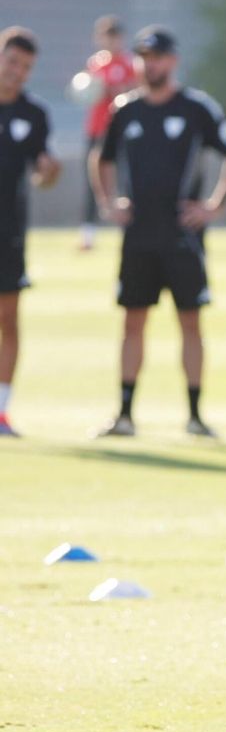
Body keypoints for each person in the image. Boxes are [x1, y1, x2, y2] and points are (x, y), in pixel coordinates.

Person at [92, 26, 226, 439]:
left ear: (173, 61)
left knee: (190, 322)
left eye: (158, 57)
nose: (151, 65)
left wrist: (215, 205)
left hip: (183, 236)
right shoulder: (125, 109)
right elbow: (102, 158)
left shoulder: (197, 108)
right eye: (144, 57)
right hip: (139, 235)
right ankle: (124, 415)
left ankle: (195, 416)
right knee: (133, 321)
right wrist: (109, 202)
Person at [0, 27, 62, 438]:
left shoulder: (34, 114)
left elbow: (42, 174)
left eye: (25, 67)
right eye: (12, 62)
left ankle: (1, 411)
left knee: (8, 318)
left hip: (9, 232)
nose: (17, 72)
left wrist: (49, 173)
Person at [79, 16, 137, 252]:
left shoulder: (130, 64)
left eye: (115, 37)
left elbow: (135, 91)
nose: (111, 42)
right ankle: (87, 235)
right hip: (96, 130)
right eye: (106, 37)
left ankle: (128, 230)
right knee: (91, 182)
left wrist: (114, 90)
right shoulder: (95, 64)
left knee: (125, 182)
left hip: (120, 132)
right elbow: (86, 94)